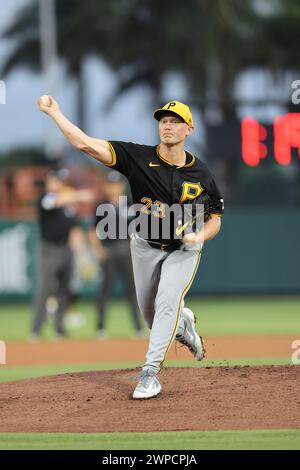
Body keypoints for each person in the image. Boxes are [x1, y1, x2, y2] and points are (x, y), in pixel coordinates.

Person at [37, 97, 224, 398]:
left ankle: (149, 374)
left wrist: (198, 236)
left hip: (183, 250)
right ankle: (183, 322)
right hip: (145, 246)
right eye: (163, 120)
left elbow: (215, 218)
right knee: (153, 317)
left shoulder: (201, 174)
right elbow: (85, 144)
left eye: (175, 121)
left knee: (166, 302)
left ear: (189, 128)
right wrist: (55, 113)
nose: (167, 126)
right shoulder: (137, 157)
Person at [31, 170, 93, 338]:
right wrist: (79, 195)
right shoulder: (46, 198)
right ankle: (35, 330)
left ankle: (59, 328)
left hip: (66, 249)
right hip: (49, 250)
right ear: (49, 183)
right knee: (44, 290)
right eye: (54, 181)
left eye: (59, 181)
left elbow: (74, 231)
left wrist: (83, 257)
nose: (57, 184)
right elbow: (54, 202)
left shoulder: (68, 208)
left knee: (64, 290)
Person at [89, 170, 144, 338]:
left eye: (117, 184)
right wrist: (98, 249)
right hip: (109, 249)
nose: (114, 188)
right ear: (106, 187)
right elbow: (92, 231)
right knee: (105, 290)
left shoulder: (129, 204)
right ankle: (100, 327)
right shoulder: (100, 206)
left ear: (121, 186)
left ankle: (138, 327)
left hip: (127, 249)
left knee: (133, 290)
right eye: (110, 185)